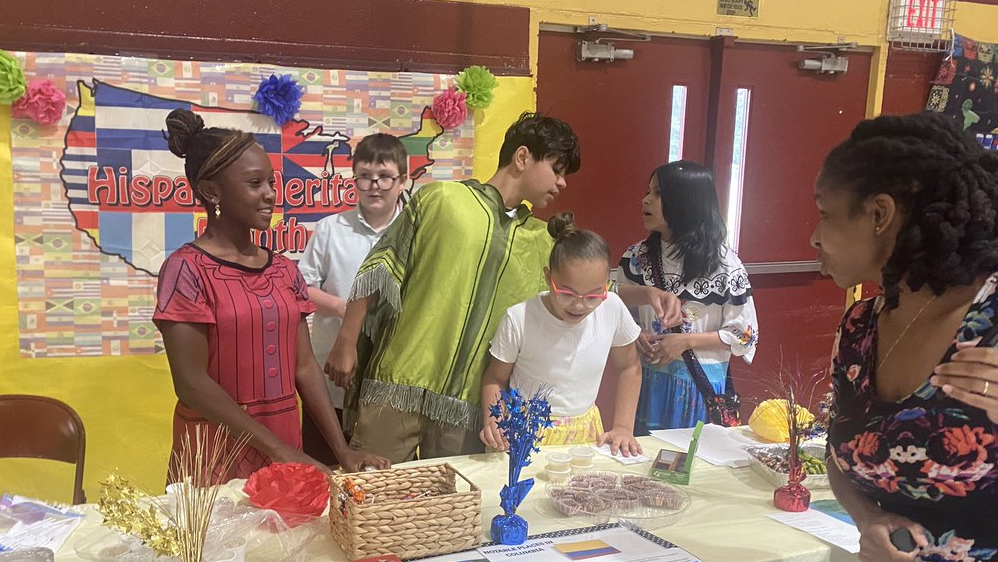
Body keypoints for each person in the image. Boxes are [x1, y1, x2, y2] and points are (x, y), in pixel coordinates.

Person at [325, 112, 681, 462]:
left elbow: (587, 291)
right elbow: (381, 266)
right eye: (557, 170)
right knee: (371, 499)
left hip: (467, 407)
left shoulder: (541, 240)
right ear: (522, 157)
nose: (562, 183)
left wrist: (647, 294)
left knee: (455, 509)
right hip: (398, 385)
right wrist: (346, 341)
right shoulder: (441, 200)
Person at [814, 110, 998, 562]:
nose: (813, 237)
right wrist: (865, 515)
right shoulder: (862, 327)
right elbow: (843, 454)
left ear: (880, 214)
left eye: (825, 214)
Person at [152, 109, 388, 480]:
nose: (270, 195)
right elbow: (191, 383)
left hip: (285, 448)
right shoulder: (186, 271)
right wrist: (280, 450)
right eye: (255, 183)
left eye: (272, 183)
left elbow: (305, 367)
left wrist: (341, 450)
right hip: (215, 454)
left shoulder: (284, 271)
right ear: (212, 191)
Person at [479, 212, 642, 455]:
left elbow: (630, 367)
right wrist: (494, 421)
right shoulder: (519, 319)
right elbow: (494, 379)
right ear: (548, 277)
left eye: (593, 296)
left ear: (607, 284)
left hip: (584, 434)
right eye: (567, 293)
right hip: (523, 432)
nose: (579, 305)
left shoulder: (612, 308)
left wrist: (623, 426)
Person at [613, 160, 758, 433]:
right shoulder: (635, 258)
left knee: (692, 466)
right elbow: (614, 308)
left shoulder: (725, 264)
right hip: (646, 385)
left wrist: (685, 341)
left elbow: (745, 335)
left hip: (697, 390)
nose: (645, 200)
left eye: (657, 193)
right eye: (648, 191)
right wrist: (635, 332)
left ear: (685, 200)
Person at [298, 133, 406, 464]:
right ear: (354, 179)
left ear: (403, 180)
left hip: (391, 382)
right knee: (323, 470)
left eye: (385, 177)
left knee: (382, 476)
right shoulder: (331, 229)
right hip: (331, 383)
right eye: (365, 177)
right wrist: (345, 309)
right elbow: (301, 289)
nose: (375, 186)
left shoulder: (414, 232)